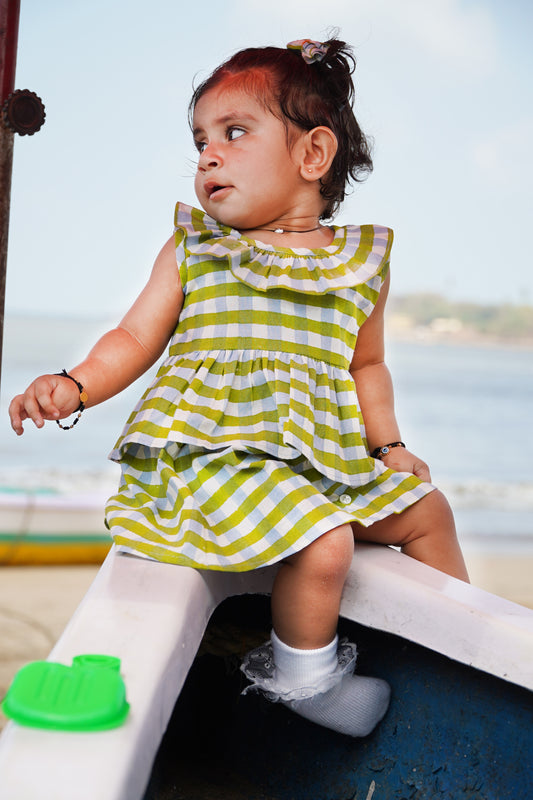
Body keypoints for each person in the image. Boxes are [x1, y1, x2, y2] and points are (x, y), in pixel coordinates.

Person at [9, 36, 469, 738]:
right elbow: (134, 338)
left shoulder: (357, 266)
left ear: (312, 155)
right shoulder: (198, 249)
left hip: (318, 468)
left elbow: (365, 367)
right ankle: (305, 678)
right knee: (324, 541)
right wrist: (76, 384)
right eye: (199, 140)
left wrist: (389, 447)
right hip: (213, 466)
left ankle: (457, 657)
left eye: (233, 133)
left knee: (429, 511)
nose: (206, 156)